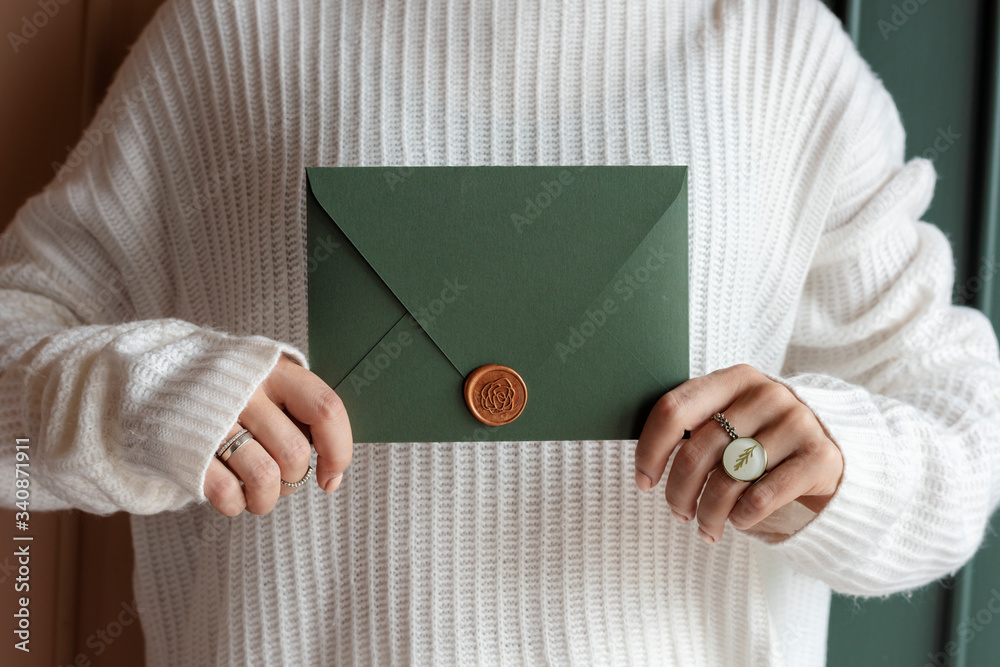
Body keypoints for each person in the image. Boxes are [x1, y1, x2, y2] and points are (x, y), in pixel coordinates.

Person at [2, 0, 998, 665]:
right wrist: (151, 398)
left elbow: (957, 440)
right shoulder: (230, 29)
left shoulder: (779, 49)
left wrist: (832, 464)